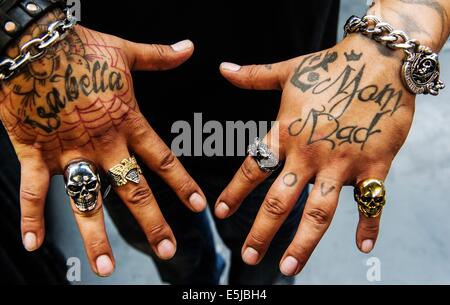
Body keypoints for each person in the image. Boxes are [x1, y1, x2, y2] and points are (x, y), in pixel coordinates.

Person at [0, 0, 448, 285]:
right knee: (177, 261)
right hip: (115, 126)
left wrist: (397, 38)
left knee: (263, 266)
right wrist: (22, 27)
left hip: (292, 129)